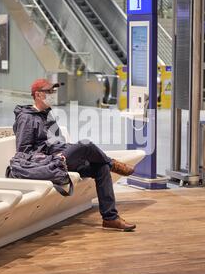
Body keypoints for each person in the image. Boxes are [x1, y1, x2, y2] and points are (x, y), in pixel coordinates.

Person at [13, 78, 137, 231]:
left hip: (62, 157)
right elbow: (23, 151)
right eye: (49, 92)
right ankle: (113, 163)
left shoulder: (47, 115)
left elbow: (58, 141)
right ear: (38, 95)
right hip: (48, 162)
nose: (53, 94)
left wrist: (66, 151)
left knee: (101, 168)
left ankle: (110, 218)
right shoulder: (26, 117)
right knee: (85, 144)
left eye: (53, 91)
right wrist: (50, 156)